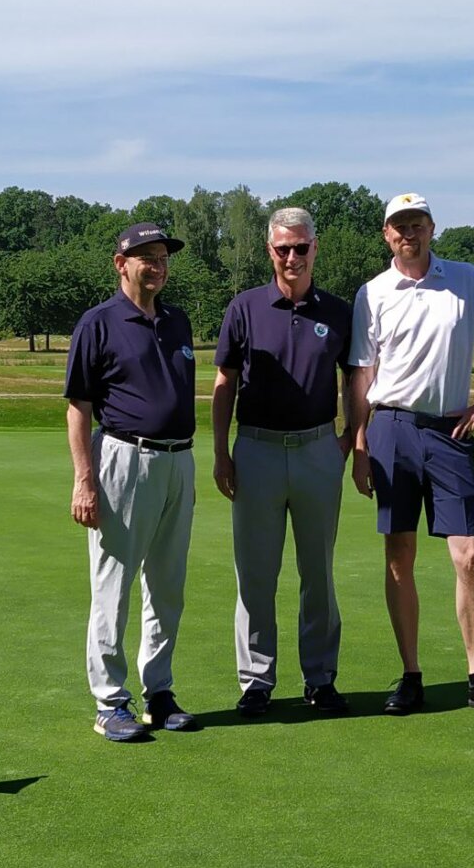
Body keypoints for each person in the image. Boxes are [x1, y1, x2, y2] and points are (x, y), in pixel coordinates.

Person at [349, 193, 474, 718]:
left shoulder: (466, 278)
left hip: (450, 432)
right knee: (399, 556)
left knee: (469, 555)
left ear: (432, 228)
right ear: (387, 235)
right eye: (398, 226)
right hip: (391, 429)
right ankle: (411, 676)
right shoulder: (374, 292)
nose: (408, 232)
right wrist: (360, 443)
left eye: (417, 223)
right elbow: (363, 372)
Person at [212, 207, 353, 717]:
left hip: (318, 450)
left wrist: (351, 439)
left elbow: (354, 382)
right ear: (269, 250)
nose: (291, 257)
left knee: (318, 573)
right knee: (255, 574)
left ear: (315, 247)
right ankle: (256, 682)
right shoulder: (244, 307)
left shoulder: (338, 312)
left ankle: (320, 678)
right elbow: (224, 382)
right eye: (282, 249)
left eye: (301, 248)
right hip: (257, 450)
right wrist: (220, 452)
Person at [64, 222, 198, 741]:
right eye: (146, 256)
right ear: (121, 264)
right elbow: (79, 408)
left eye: (163, 256)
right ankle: (109, 703)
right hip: (123, 458)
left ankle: (158, 694)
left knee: (167, 587)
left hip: (177, 461)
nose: (157, 265)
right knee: (113, 587)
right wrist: (84, 480)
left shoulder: (178, 321)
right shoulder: (98, 322)